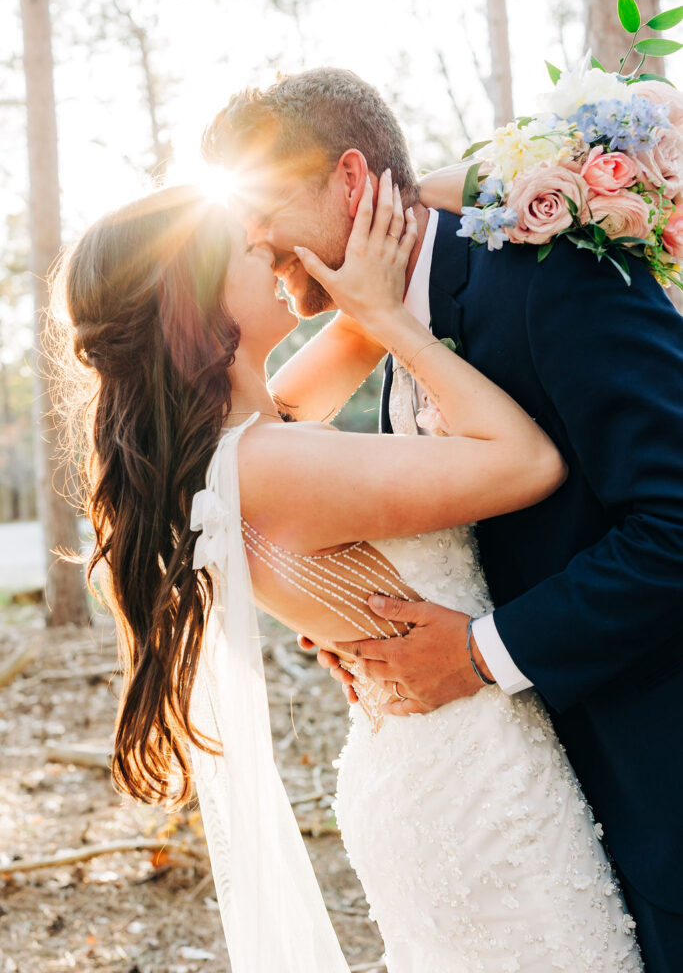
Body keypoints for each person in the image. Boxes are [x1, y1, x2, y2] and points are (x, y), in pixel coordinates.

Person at [51, 172, 645, 972]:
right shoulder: (267, 462)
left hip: (435, 759)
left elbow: (364, 315)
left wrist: (425, 182)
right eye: (248, 249)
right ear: (196, 307)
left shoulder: (241, 438)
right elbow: (526, 462)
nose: (274, 254)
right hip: (470, 780)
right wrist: (402, 322)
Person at [201, 66, 683, 972]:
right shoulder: (378, 316)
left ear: (350, 180)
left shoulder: (550, 275)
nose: (256, 239)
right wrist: (354, 607)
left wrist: (478, 651)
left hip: (649, 770)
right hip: (514, 797)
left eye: (265, 206)